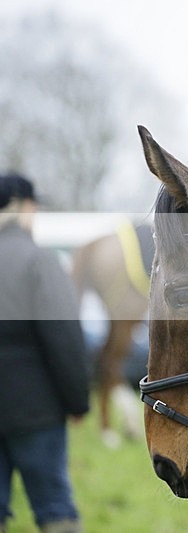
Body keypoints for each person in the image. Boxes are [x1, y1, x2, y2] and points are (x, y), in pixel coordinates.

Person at [0, 173, 90, 533]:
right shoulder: (39, 261)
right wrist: (78, 402)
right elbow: (63, 338)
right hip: (36, 411)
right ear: (21, 206)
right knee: (54, 503)